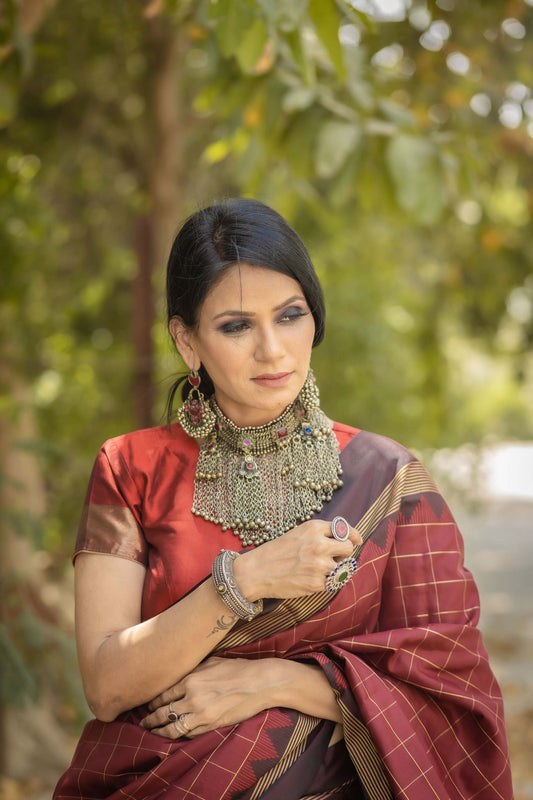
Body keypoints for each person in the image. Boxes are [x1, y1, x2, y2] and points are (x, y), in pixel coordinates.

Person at [53, 198, 513, 800]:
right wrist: (243, 580)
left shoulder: (388, 478)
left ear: (315, 320)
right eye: (236, 325)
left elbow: (451, 694)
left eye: (290, 315)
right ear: (187, 341)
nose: (272, 349)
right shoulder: (132, 470)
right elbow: (108, 685)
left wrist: (279, 683)